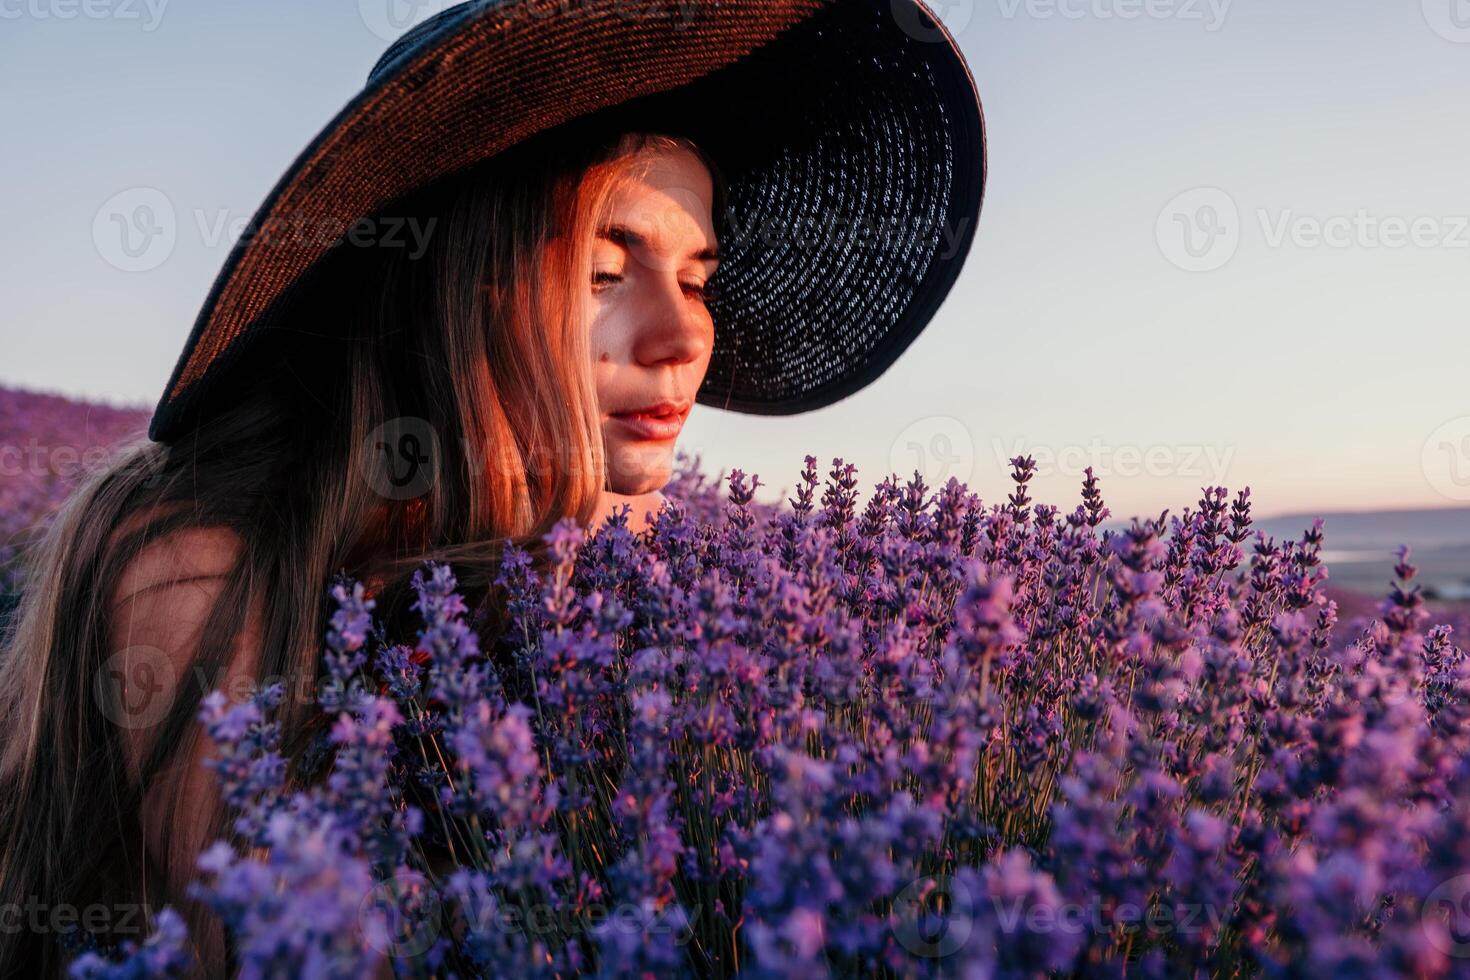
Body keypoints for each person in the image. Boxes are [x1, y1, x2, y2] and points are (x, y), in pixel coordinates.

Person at [0, 1, 983, 974]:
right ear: (462, 280)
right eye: (606, 272)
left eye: (695, 279)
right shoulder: (203, 559)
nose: (683, 336)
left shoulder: (604, 562)